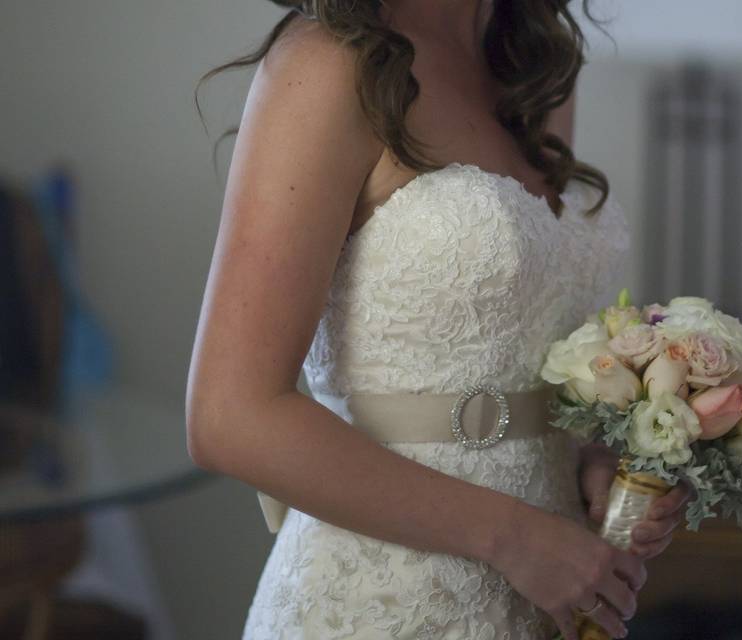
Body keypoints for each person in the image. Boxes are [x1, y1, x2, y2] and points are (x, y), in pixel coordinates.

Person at [186, 1, 692, 638]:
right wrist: (512, 537)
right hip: (384, 600)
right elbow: (230, 417)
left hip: (548, 596)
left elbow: (529, 341)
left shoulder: (533, 67)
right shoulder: (329, 62)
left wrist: (589, 456)